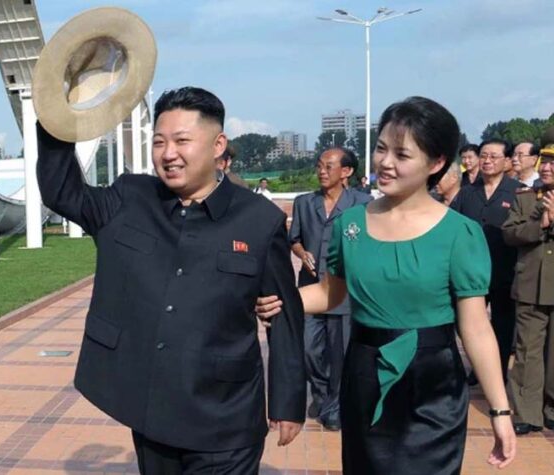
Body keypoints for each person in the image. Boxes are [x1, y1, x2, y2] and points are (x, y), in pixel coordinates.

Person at [36, 87, 305, 473]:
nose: (168, 153)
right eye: (159, 142)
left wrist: (287, 402)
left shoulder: (259, 220)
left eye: (182, 141)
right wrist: (55, 117)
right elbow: (62, 192)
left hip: (225, 417)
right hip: (153, 411)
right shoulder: (130, 198)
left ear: (217, 145)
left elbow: (285, 316)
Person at [256, 97, 516, 474]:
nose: (385, 162)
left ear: (436, 162)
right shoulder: (350, 225)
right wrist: (283, 300)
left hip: (433, 385)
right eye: (381, 149)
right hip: (364, 375)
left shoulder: (460, 232)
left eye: (402, 154)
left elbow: (475, 327)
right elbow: (332, 293)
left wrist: (500, 411)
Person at [289, 147, 371, 431]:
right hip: (311, 288)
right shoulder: (304, 202)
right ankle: (322, 395)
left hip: (343, 291)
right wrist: (302, 254)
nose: (322, 171)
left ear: (346, 171)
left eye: (329, 166)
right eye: (319, 166)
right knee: (308, 349)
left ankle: (335, 406)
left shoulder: (363, 204)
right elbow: (294, 239)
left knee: (340, 353)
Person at [451, 138, 523, 384]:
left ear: (507, 161)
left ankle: (497, 374)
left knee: (503, 325)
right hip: (471, 273)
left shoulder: (519, 192)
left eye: (493, 156)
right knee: (466, 323)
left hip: (505, 271)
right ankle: (478, 368)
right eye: (483, 156)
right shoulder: (467, 193)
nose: (487, 161)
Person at [502, 145, 554, 435]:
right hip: (530, 285)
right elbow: (509, 233)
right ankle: (527, 412)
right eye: (544, 161)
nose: (546, 168)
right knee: (527, 351)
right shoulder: (524, 198)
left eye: (553, 163)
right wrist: (540, 223)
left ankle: (551, 407)